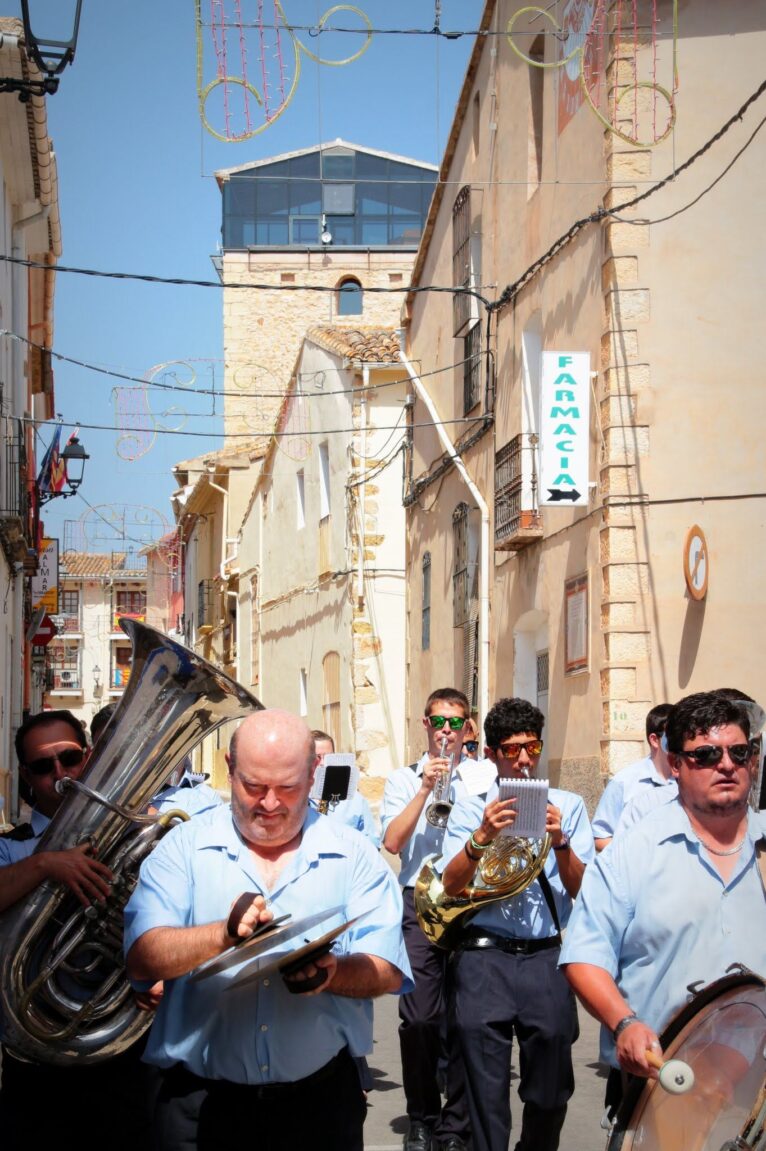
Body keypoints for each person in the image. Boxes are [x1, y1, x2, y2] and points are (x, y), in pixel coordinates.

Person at [124, 709, 412, 1151]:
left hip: (317, 1107)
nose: (271, 803)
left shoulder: (354, 854)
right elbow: (143, 955)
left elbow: (387, 969)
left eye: (289, 788)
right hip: (199, 1107)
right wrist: (221, 935)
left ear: (314, 773)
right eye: (253, 786)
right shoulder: (181, 847)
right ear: (229, 767)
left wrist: (334, 974)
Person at [560, 691, 766, 1107]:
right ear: (675, 764)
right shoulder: (633, 852)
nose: (725, 765)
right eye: (705, 755)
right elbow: (584, 955)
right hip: (665, 1082)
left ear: (753, 760)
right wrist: (625, 1024)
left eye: (738, 752)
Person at [439, 696, 594, 1151]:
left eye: (532, 747)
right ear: (491, 754)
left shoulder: (569, 805)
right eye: (512, 750)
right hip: (483, 954)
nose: (525, 760)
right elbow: (449, 885)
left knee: (550, 1089)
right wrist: (482, 837)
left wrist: (561, 842)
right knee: (485, 1092)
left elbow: (583, 890)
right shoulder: (471, 809)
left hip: (546, 954)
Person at [0, 709, 153, 1151]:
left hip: (122, 1054)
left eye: (69, 758)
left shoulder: (135, 838)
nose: (60, 775)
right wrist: (48, 864)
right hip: (34, 1061)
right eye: (44, 767)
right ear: (27, 777)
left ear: (88, 759)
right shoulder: (12, 846)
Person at [382, 687, 474, 1151]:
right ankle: (422, 1115)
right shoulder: (402, 779)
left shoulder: (483, 777)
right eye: (438, 722)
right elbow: (394, 843)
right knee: (418, 1018)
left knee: (466, 1020)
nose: (446, 732)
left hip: (472, 906)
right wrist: (424, 787)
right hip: (418, 903)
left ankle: (456, 1122)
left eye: (455, 723)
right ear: (425, 725)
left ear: (467, 728)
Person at [591, 703, 673, 850]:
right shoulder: (623, 782)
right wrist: (634, 854)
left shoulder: (690, 780)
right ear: (655, 740)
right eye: (673, 735)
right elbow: (601, 837)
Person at [311, 729, 380, 847]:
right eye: (317, 757)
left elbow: (372, 842)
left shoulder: (355, 799)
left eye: (328, 757)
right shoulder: (296, 799)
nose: (322, 763)